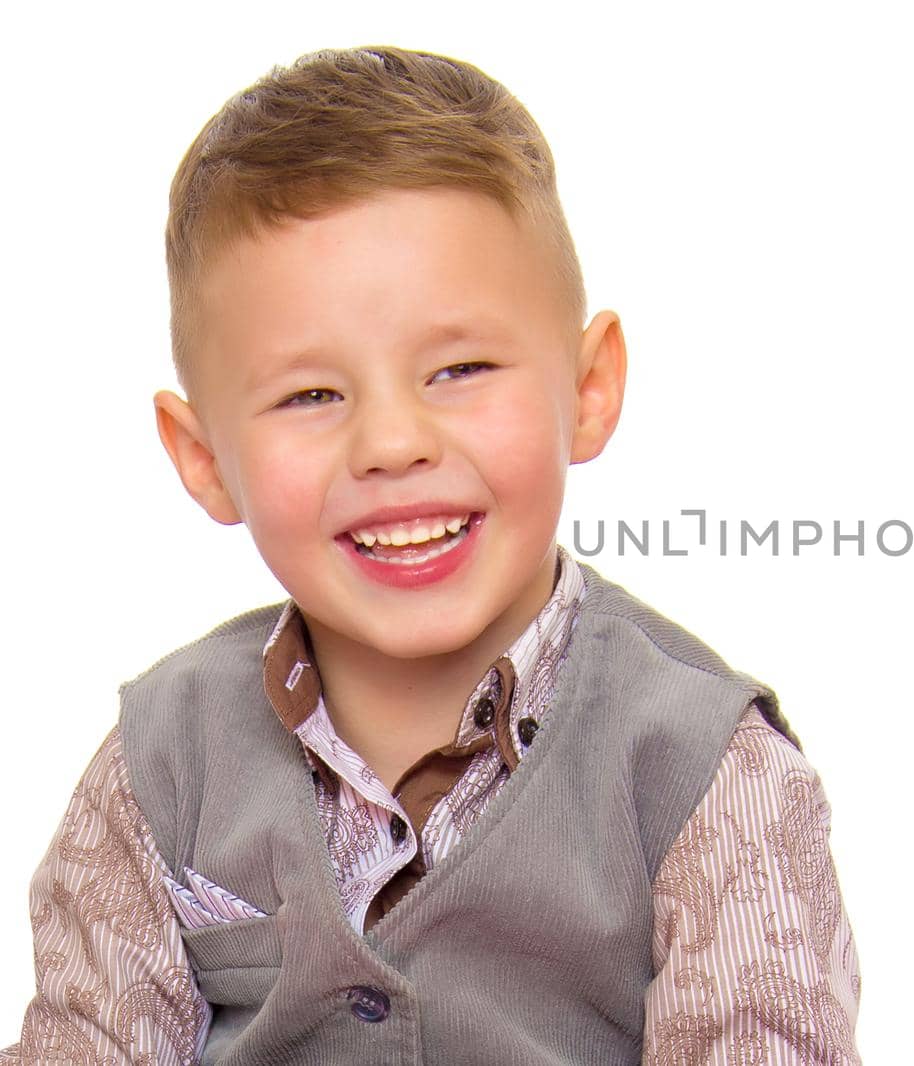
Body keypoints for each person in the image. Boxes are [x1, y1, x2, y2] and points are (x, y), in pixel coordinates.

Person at [1, 44, 860, 1065]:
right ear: (205, 460)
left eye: (458, 369)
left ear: (587, 390)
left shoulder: (707, 771)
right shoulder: (159, 764)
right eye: (312, 394)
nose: (392, 443)